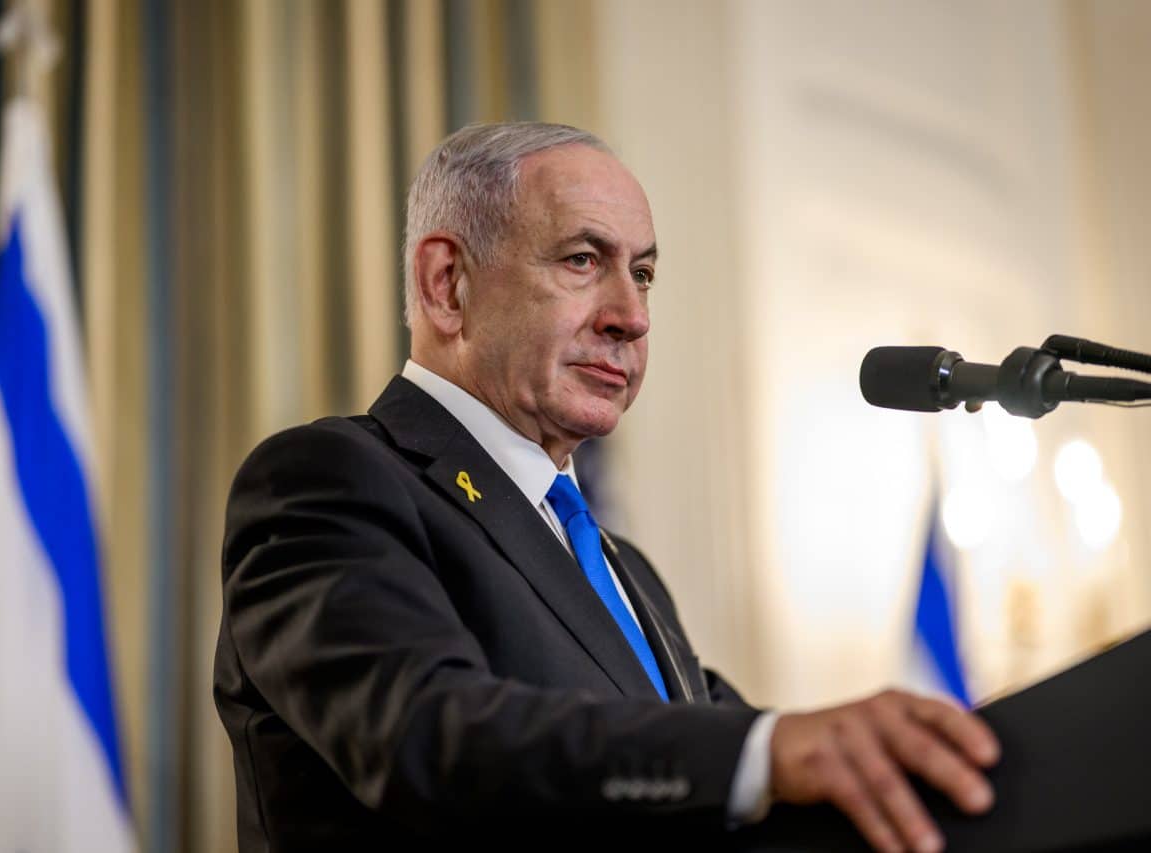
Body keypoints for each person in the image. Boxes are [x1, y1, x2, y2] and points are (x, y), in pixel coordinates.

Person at [213, 122, 1000, 850]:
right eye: (583, 260)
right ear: (447, 283)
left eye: (645, 272)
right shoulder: (327, 481)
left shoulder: (626, 571)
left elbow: (721, 767)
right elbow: (428, 737)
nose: (633, 315)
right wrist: (765, 752)